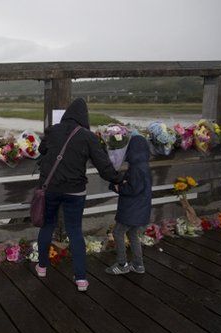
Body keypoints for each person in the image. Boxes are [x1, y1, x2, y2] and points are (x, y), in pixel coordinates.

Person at [35, 98, 123, 292]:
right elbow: (103, 165)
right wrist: (118, 179)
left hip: (51, 188)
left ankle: (42, 267)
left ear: (67, 114)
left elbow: (42, 150)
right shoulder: (88, 136)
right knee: (74, 230)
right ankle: (81, 278)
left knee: (47, 226)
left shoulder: (52, 130)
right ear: (84, 116)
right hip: (75, 191)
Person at [106, 135, 152, 275]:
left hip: (131, 209)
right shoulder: (143, 165)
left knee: (118, 232)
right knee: (132, 234)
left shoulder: (136, 168)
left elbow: (132, 189)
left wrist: (119, 187)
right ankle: (138, 264)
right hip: (140, 208)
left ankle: (122, 264)